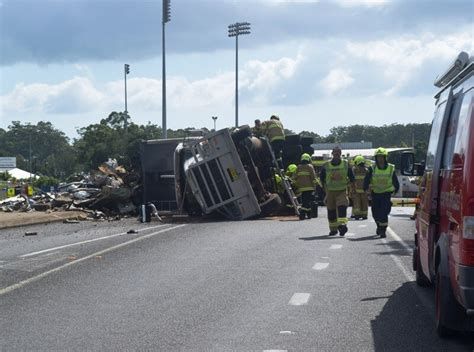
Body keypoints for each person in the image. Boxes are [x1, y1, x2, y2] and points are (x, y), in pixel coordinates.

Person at [363, 147, 400, 238]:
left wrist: (396, 189)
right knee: (375, 212)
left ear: (385, 157)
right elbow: (367, 179)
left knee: (384, 211)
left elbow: (395, 180)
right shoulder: (372, 168)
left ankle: (383, 230)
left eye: (381, 157)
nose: (380, 159)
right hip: (375, 193)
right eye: (378, 157)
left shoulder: (391, 168)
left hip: (386, 193)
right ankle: (379, 225)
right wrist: (365, 188)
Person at [320, 146, 355, 236]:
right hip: (330, 191)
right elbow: (322, 179)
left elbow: (352, 178)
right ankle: (333, 229)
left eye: (338, 152)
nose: (336, 154)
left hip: (342, 191)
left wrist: (352, 190)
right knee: (331, 211)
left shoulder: (346, 164)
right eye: (335, 152)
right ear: (332, 154)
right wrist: (324, 191)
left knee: (342, 208)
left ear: (340, 153)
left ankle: (342, 226)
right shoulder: (326, 165)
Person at [293, 153, 317, 220]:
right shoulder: (310, 167)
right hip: (309, 187)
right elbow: (313, 177)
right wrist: (317, 185)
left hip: (301, 188)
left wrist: (295, 184)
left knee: (305, 200)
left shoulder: (298, 167)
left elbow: (294, 177)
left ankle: (309, 214)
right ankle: (302, 214)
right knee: (306, 201)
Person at [351, 155, 369, 220]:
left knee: (356, 203)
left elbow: (351, 179)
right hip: (364, 190)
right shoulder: (366, 170)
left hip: (356, 189)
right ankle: (364, 215)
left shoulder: (354, 169)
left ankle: (357, 214)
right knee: (364, 203)